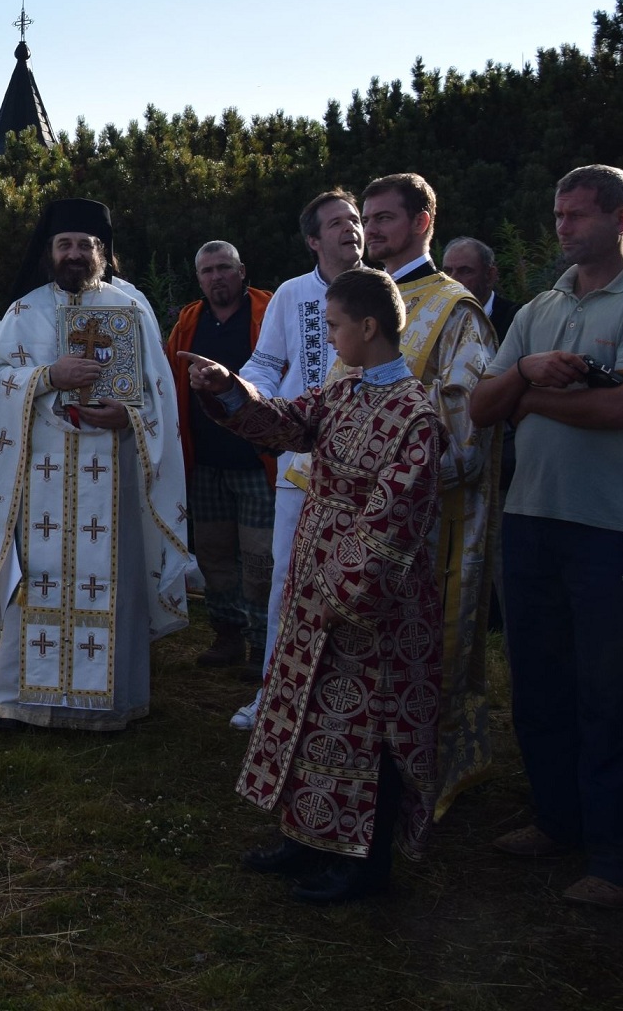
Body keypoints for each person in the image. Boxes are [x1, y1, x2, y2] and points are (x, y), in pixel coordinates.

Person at [183, 267, 444, 905]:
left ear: (368, 327)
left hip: (372, 605)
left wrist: (339, 592)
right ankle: (306, 839)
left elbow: (393, 521)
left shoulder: (415, 415)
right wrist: (230, 389)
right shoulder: (344, 388)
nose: (327, 339)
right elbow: (287, 422)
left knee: (365, 730)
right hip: (317, 580)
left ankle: (364, 864)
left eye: (331, 327)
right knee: (307, 713)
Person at [470, 165, 623, 908]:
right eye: (558, 215)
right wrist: (528, 379)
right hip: (531, 519)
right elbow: (479, 408)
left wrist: (525, 396)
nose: (563, 227)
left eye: (578, 216)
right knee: (538, 684)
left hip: (611, 529)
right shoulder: (538, 308)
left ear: (622, 220)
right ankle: (557, 821)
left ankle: (622, 857)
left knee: (610, 693)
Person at [0, 199, 189, 732]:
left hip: (113, 477)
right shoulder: (23, 312)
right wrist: (47, 376)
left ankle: (108, 704)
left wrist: (129, 418)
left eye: (85, 245)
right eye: (64, 244)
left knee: (109, 584)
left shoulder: (131, 309)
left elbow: (159, 396)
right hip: (39, 478)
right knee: (37, 580)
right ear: (50, 252)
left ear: (103, 253)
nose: (74, 254)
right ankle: (23, 700)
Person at [358, 173, 500, 816]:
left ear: (422, 222)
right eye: (366, 218)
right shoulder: (368, 300)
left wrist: (389, 478)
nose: (371, 230)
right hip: (359, 524)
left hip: (424, 532)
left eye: (385, 217)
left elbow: (468, 439)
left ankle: (418, 790)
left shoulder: (453, 308)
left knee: (423, 663)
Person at [232, 190, 365, 730]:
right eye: (336, 223)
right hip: (302, 466)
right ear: (314, 239)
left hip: (370, 469)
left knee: (360, 584)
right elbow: (264, 366)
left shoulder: (384, 291)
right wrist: (246, 398)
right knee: (290, 579)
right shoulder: (291, 294)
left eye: (354, 220)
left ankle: (350, 705)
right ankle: (275, 695)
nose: (350, 229)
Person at [163, 241, 275, 676]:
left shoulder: (266, 312)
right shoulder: (188, 322)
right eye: (208, 271)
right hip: (205, 461)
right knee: (213, 556)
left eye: (224, 268)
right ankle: (226, 635)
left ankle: (261, 643)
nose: (217, 277)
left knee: (260, 558)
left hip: (255, 458)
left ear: (242, 271)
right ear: (199, 278)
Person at [442, 238, 518, 341]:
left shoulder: (516, 319)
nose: (453, 279)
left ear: (490, 275)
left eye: (465, 271)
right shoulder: (435, 321)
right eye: (447, 271)